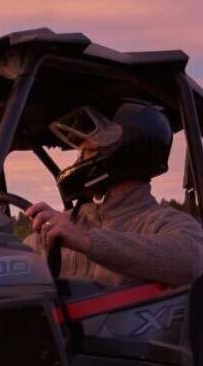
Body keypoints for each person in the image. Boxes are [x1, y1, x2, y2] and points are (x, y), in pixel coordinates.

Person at [24, 101, 203, 286]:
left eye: (87, 152)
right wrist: (43, 236)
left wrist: (87, 241)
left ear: (120, 155)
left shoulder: (165, 222)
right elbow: (19, 258)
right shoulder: (71, 222)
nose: (77, 162)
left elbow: (192, 262)